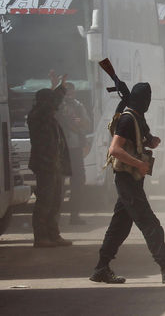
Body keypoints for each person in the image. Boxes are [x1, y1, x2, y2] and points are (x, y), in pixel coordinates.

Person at [90, 82, 165, 284]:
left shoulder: (136, 118)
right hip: (127, 178)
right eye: (147, 97)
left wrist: (149, 141)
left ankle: (101, 268)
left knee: (120, 226)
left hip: (131, 179)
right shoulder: (128, 119)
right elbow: (115, 149)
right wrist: (139, 163)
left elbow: (132, 142)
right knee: (149, 222)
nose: (149, 101)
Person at [27, 85, 72, 248]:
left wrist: (60, 90)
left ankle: (53, 235)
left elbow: (53, 104)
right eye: (51, 100)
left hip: (55, 164)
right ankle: (41, 237)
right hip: (44, 165)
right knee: (45, 201)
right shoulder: (37, 116)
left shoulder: (48, 116)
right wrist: (59, 90)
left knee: (55, 201)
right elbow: (51, 104)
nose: (56, 105)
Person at [55, 81, 92, 225]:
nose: (69, 94)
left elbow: (87, 124)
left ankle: (74, 215)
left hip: (75, 150)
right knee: (59, 185)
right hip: (61, 150)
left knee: (78, 182)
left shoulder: (78, 106)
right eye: (66, 92)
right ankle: (55, 216)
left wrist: (80, 122)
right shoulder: (57, 107)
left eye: (71, 92)